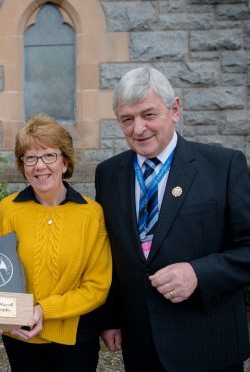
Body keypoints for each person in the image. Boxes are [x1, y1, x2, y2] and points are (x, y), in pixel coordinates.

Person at [95, 66, 250, 371]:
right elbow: (110, 253)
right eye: (127, 119)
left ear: (175, 109)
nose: (138, 129)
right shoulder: (109, 173)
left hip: (208, 345)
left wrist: (199, 273)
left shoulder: (224, 166)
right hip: (142, 348)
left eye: (148, 115)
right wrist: (111, 317)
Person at [0, 114, 112, 372]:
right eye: (31, 158)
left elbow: (97, 286)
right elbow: (0, 275)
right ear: (22, 164)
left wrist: (44, 310)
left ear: (65, 161)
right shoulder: (8, 210)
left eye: (49, 156)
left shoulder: (91, 214)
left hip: (76, 338)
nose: (40, 166)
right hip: (22, 336)